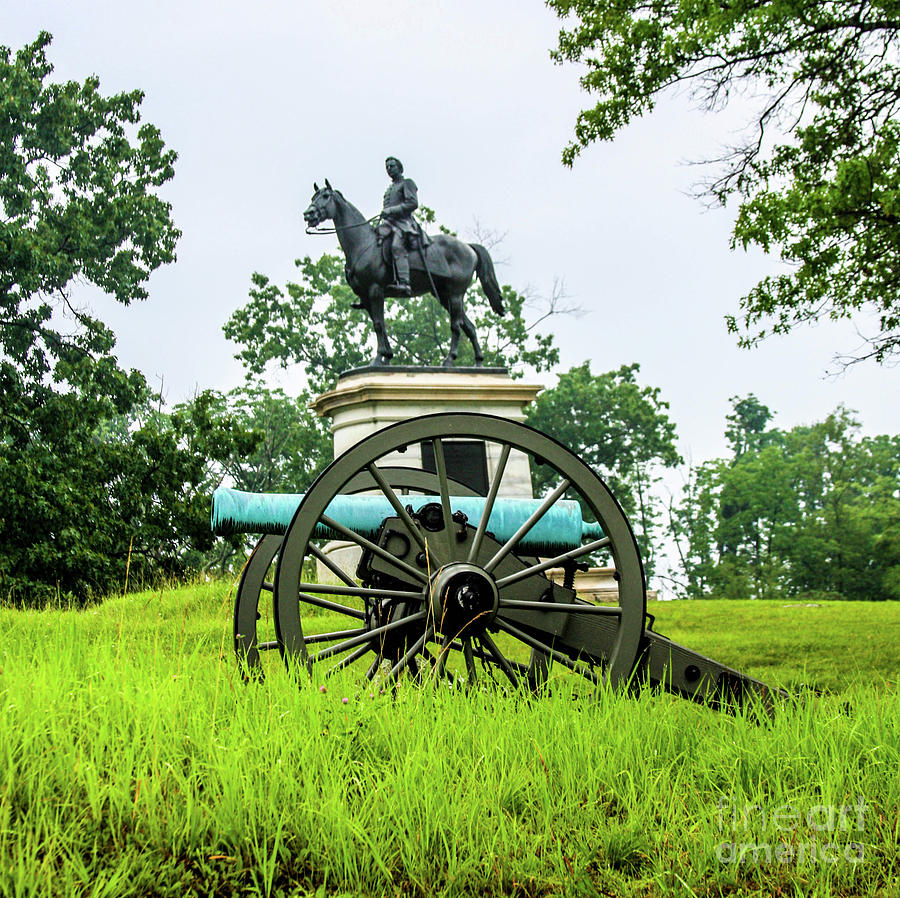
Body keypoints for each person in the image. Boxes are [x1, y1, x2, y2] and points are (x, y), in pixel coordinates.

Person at [380, 156, 424, 295]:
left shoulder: (407, 183)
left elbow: (412, 203)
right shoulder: (389, 189)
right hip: (389, 224)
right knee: (374, 242)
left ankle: (404, 283)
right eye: (387, 167)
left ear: (399, 168)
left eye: (392, 166)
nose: (389, 169)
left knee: (396, 246)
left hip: (403, 223)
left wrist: (391, 210)